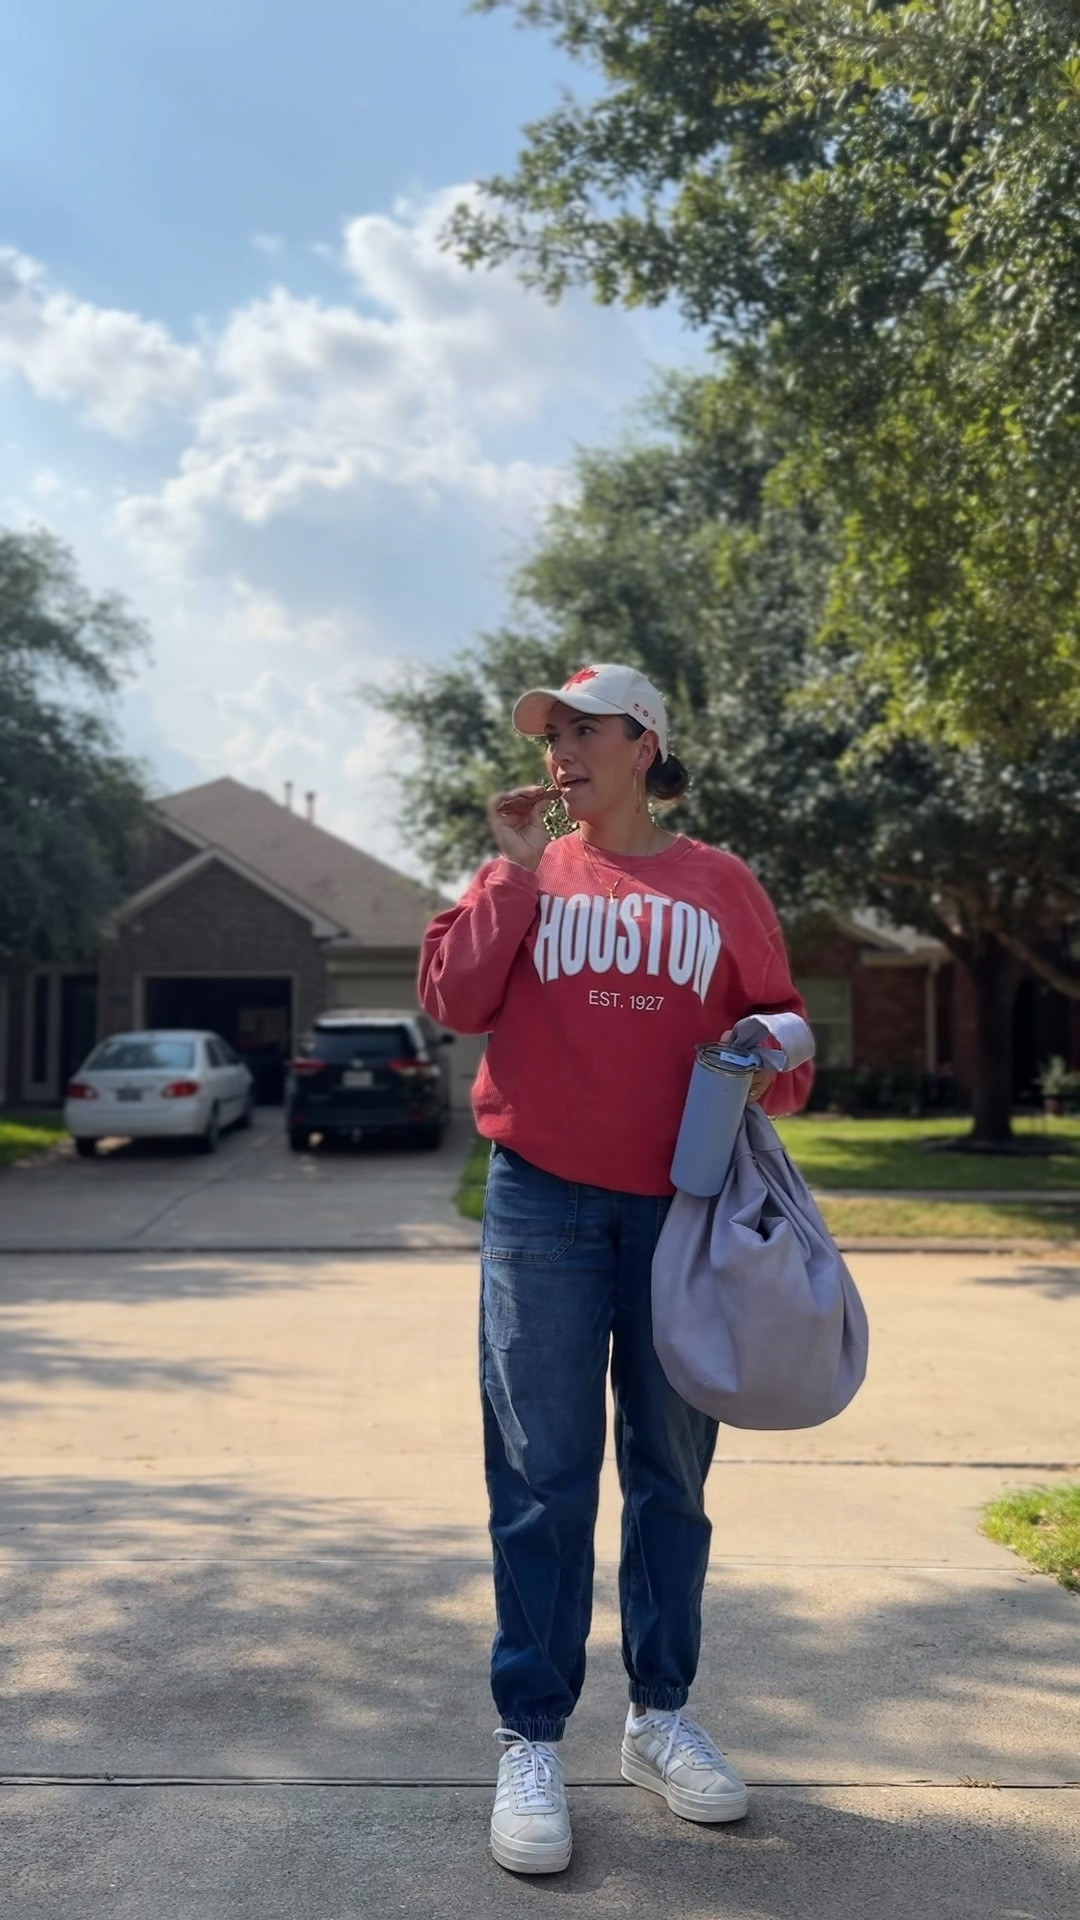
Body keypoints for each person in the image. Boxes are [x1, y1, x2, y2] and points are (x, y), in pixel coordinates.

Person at [419, 662, 813, 1875]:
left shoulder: (722, 883)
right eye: (552, 734)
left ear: (643, 745)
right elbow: (454, 999)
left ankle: (658, 1717)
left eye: (584, 730)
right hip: (538, 1198)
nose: (560, 751)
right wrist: (509, 871)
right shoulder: (530, 872)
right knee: (542, 1477)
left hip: (682, 1213)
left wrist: (764, 1049)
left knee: (670, 1476)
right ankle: (531, 1737)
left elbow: (791, 1050)